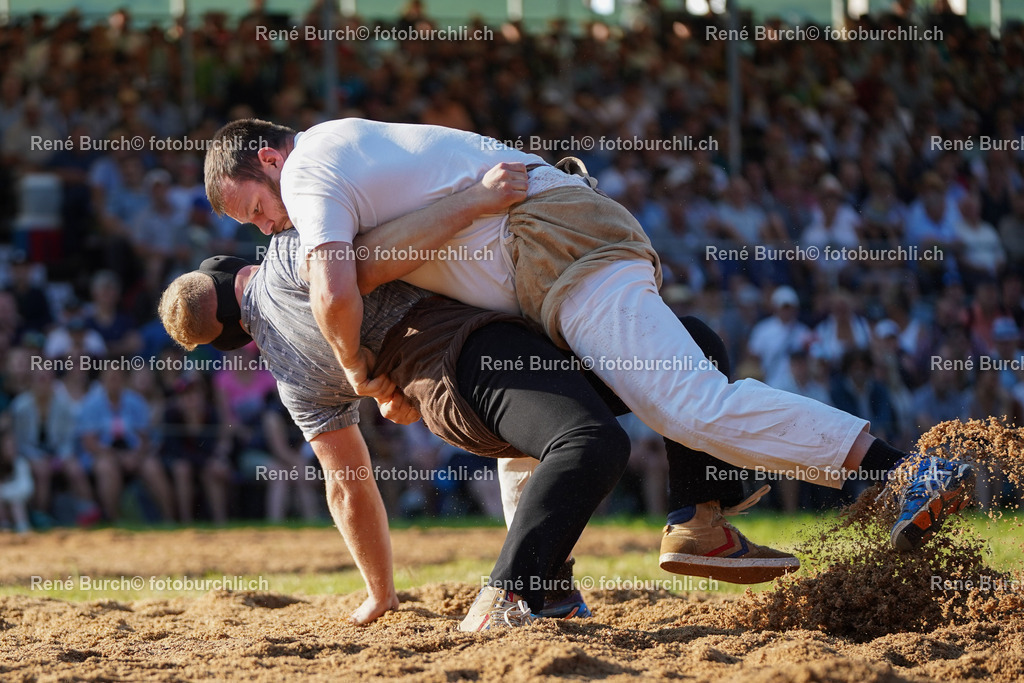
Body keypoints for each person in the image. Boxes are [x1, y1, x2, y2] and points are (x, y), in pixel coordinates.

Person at [202, 120, 972, 565]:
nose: (267, 227)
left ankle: (905, 471)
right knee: (528, 427)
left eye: (256, 210)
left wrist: (362, 374)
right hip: (546, 255)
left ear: (270, 159)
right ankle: (683, 527)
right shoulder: (343, 159)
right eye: (254, 228)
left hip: (554, 247)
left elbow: (335, 290)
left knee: (686, 405)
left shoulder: (308, 170)